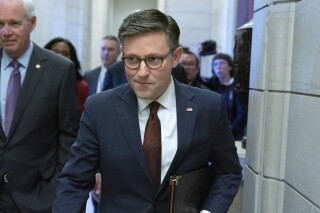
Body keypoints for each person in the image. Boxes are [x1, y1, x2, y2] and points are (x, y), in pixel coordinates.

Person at [53, 9, 242, 213]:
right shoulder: (99, 109)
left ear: (175, 57)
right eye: (132, 60)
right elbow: (75, 181)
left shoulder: (208, 107)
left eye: (153, 60)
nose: (141, 73)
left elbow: (228, 173)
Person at [0, 0, 80, 212]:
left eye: (14, 23)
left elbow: (68, 135)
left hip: (39, 196)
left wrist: (59, 187)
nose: (6, 31)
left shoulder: (59, 70)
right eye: (0, 24)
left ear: (32, 23)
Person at [206, 53, 247, 140]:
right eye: (215, 64)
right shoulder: (211, 85)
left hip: (233, 135)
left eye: (222, 63)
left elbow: (242, 114)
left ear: (230, 67)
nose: (219, 67)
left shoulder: (237, 86)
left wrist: (229, 131)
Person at [44, 37, 89, 112]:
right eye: (55, 52)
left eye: (65, 54)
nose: (60, 57)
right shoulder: (35, 79)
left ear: (72, 59)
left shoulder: (81, 87)